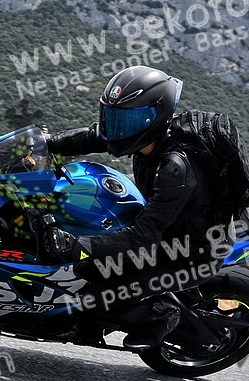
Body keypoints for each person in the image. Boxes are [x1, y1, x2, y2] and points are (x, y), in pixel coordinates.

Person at [43, 66, 233, 349]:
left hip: (189, 252)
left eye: (127, 120)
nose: (118, 127)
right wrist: (46, 144)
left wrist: (77, 245)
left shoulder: (174, 168)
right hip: (168, 226)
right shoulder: (148, 137)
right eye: (114, 117)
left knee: (95, 294)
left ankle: (162, 314)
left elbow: (143, 236)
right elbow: (95, 136)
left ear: (154, 119)